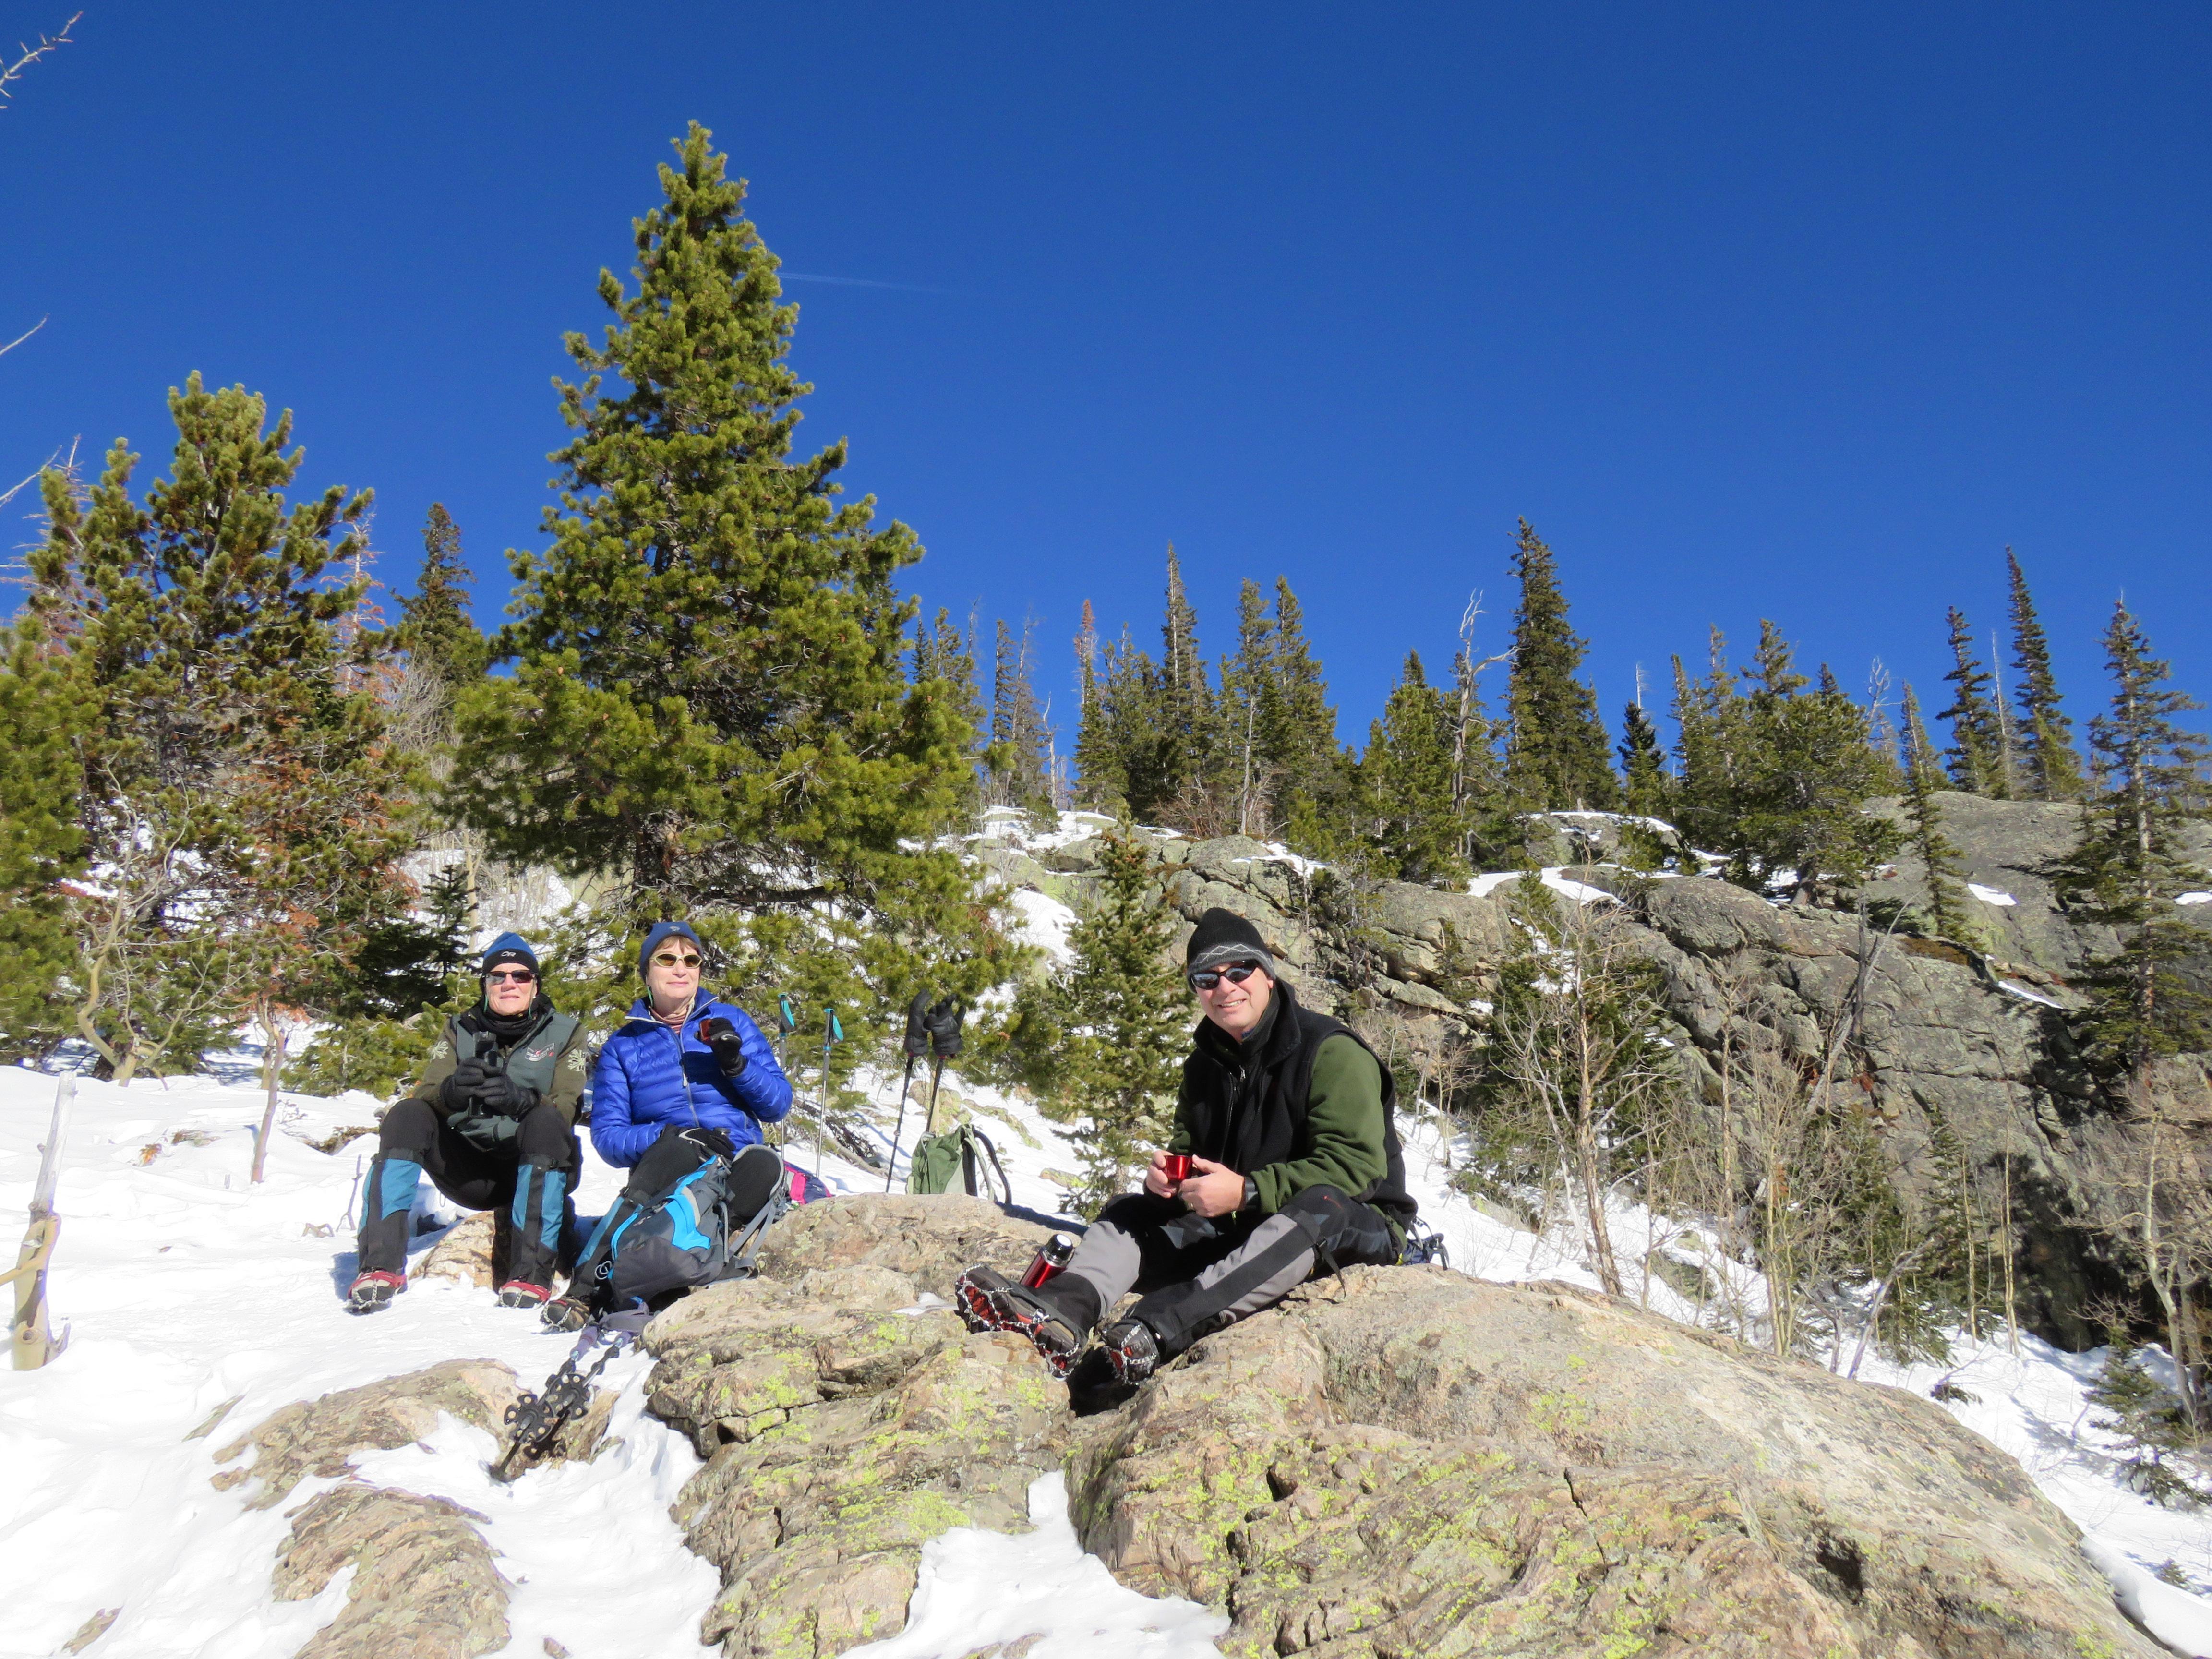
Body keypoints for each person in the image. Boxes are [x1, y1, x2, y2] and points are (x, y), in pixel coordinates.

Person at [956, 907, 1416, 1385]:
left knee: (1318, 1208)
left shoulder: (1331, 1052)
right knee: (1132, 1212)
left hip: (1354, 1226)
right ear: (1197, 990)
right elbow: (1190, 1153)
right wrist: (1166, 1184)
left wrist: (1248, 1192)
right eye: (1207, 978)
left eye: (1240, 970)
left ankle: (1156, 1330)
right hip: (1247, 1225)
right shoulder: (1205, 1064)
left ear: (1268, 976)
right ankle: (1062, 1310)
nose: (1225, 987)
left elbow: (1358, 1168)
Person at [349, 932, 591, 1314]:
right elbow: (427, 1092)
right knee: (406, 1114)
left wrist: (524, 1101)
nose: (509, 983)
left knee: (546, 1118)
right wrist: (451, 1093)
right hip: (471, 1173)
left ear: (535, 985)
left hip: (536, 1163)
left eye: (521, 976)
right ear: (486, 985)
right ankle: (380, 1266)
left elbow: (567, 1105)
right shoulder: (458, 1028)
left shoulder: (567, 1033)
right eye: (498, 976)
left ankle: (530, 1274)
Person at [589, 920, 793, 1168]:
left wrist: (738, 1066)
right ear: (647, 973)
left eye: (691, 961)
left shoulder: (733, 1021)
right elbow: (608, 1138)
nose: (680, 970)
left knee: (762, 1168)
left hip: (736, 1158)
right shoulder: (622, 1046)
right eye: (667, 959)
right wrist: (674, 1136)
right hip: (664, 1166)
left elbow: (778, 1106)